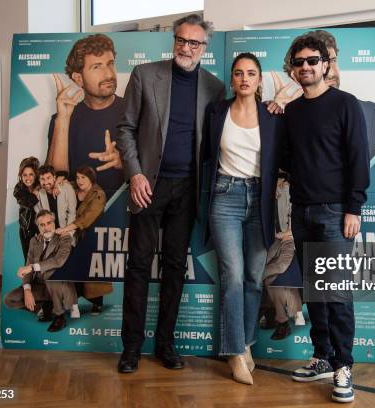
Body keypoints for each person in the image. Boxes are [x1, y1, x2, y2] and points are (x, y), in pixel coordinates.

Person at [115, 14, 226, 373]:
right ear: (173, 41)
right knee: (138, 266)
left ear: (204, 48)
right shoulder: (146, 76)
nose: (186, 47)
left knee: (176, 268)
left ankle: (165, 344)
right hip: (148, 186)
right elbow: (126, 129)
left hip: (188, 190)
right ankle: (131, 348)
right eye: (181, 40)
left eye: (194, 42)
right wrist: (135, 175)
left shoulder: (214, 87)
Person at [282, 36, 369, 403]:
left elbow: (358, 160)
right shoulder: (292, 111)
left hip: (336, 212)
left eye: (312, 61)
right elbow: (288, 160)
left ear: (326, 65)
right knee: (314, 292)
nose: (306, 67)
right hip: (301, 212)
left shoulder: (346, 104)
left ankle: (344, 365)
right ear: (293, 68)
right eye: (299, 62)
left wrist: (354, 208)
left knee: (334, 292)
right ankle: (322, 357)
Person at [202, 52, 282, 384]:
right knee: (232, 276)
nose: (245, 78)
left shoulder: (273, 115)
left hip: (261, 200)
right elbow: (206, 155)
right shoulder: (216, 111)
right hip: (225, 196)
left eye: (251, 73)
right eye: (238, 73)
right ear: (232, 79)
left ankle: (247, 342)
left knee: (253, 277)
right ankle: (234, 352)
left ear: (260, 79)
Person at [274, 29, 375, 159]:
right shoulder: (289, 112)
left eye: (333, 61)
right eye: (312, 62)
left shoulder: (370, 111)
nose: (330, 72)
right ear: (294, 75)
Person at [46, 33, 125, 197]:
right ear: (78, 79)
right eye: (97, 67)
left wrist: (123, 161)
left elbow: (155, 170)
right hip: (78, 216)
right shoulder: (62, 118)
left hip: (124, 215)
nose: (109, 74)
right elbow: (54, 179)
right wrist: (63, 120)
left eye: (110, 64)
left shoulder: (135, 111)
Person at [3, 210, 76, 332]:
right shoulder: (34, 241)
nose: (46, 228)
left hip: (59, 285)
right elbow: (28, 265)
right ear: (38, 227)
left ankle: (60, 317)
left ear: (54, 223)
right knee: (9, 299)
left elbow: (58, 261)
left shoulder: (64, 238)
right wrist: (27, 289)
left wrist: (32, 267)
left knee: (49, 274)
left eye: (49, 223)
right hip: (41, 286)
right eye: (42, 225)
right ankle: (45, 307)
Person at [56, 165, 110, 315]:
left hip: (91, 235)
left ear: (91, 179)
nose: (79, 181)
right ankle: (73, 301)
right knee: (73, 270)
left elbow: (87, 219)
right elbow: (63, 182)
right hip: (74, 236)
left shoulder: (98, 194)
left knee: (93, 272)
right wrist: (59, 181)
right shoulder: (73, 187)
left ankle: (97, 303)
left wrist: (66, 229)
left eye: (83, 178)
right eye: (78, 177)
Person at [260, 176, 304, 341]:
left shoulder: (292, 189)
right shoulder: (264, 189)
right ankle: (280, 320)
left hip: (290, 242)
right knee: (271, 279)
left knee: (276, 271)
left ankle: (279, 320)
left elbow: (299, 217)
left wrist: (290, 233)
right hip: (271, 241)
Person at [34, 165, 77, 234]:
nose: (46, 182)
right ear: (39, 180)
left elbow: (72, 214)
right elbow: (39, 218)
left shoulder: (67, 188)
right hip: (49, 234)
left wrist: (68, 233)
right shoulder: (38, 194)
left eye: (48, 178)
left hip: (66, 231)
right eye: (42, 179)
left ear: (54, 177)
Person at [13, 157, 40, 261]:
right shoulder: (18, 189)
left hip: (41, 229)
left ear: (35, 175)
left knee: (41, 262)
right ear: (21, 176)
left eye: (31, 174)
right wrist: (35, 194)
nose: (28, 178)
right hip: (26, 231)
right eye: (25, 175)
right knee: (28, 261)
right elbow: (28, 203)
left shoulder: (40, 185)